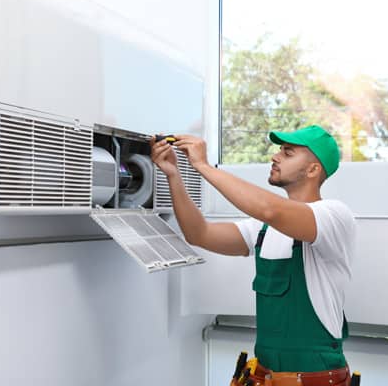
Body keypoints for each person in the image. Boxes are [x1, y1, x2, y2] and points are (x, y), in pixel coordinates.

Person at [150, 125, 356, 386]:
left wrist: (203, 166)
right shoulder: (262, 229)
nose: (275, 157)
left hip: (315, 379)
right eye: (279, 150)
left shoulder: (333, 216)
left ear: (313, 170)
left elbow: (270, 210)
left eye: (288, 153)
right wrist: (173, 176)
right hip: (265, 377)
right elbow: (198, 234)